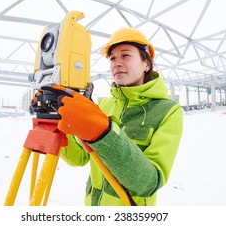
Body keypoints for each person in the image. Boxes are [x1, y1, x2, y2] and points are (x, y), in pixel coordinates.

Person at [46, 27, 183, 206]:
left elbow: (148, 183)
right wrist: (57, 122)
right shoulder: (103, 106)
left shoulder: (168, 111)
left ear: (146, 64)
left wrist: (105, 134)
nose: (116, 63)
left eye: (125, 55)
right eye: (112, 58)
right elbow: (79, 157)